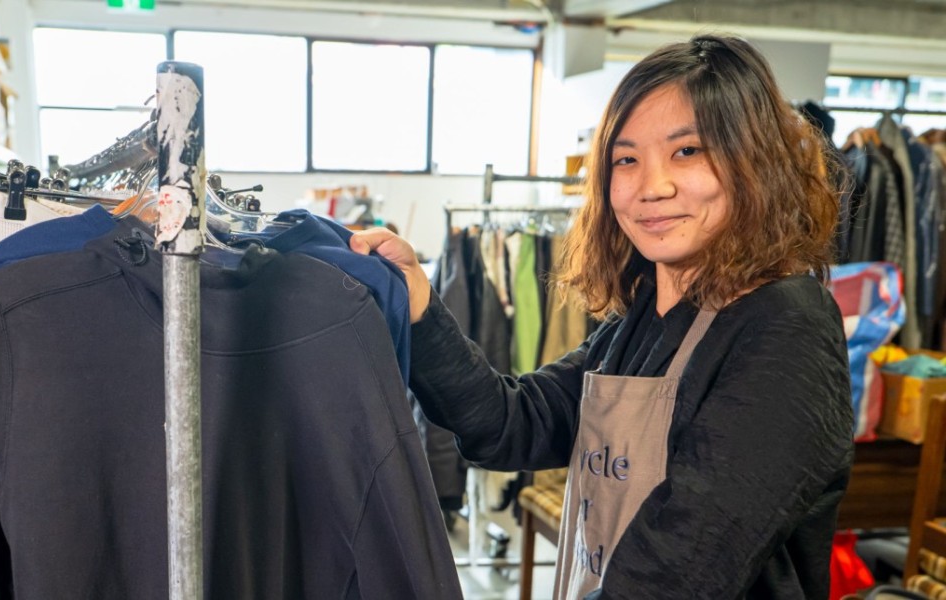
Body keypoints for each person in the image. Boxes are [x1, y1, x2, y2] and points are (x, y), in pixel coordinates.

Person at [351, 34, 855, 599]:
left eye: (687, 151)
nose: (651, 187)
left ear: (754, 163)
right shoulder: (643, 321)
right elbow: (513, 422)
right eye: (626, 159)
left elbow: (676, 574)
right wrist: (417, 301)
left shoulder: (787, 329)